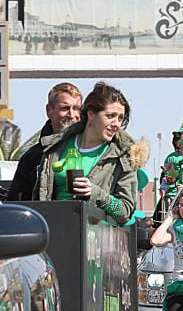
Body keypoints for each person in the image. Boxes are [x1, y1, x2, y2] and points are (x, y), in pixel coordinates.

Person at [33, 81, 145, 225]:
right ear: (91, 114)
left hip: (94, 241)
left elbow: (126, 212)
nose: (116, 123)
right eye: (110, 116)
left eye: (120, 118)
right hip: (54, 232)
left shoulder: (124, 156)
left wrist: (96, 194)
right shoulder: (56, 146)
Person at [8, 82, 82, 200]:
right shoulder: (32, 157)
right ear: (49, 111)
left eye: (76, 108)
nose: (72, 114)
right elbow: (18, 201)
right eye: (65, 108)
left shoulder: (92, 149)